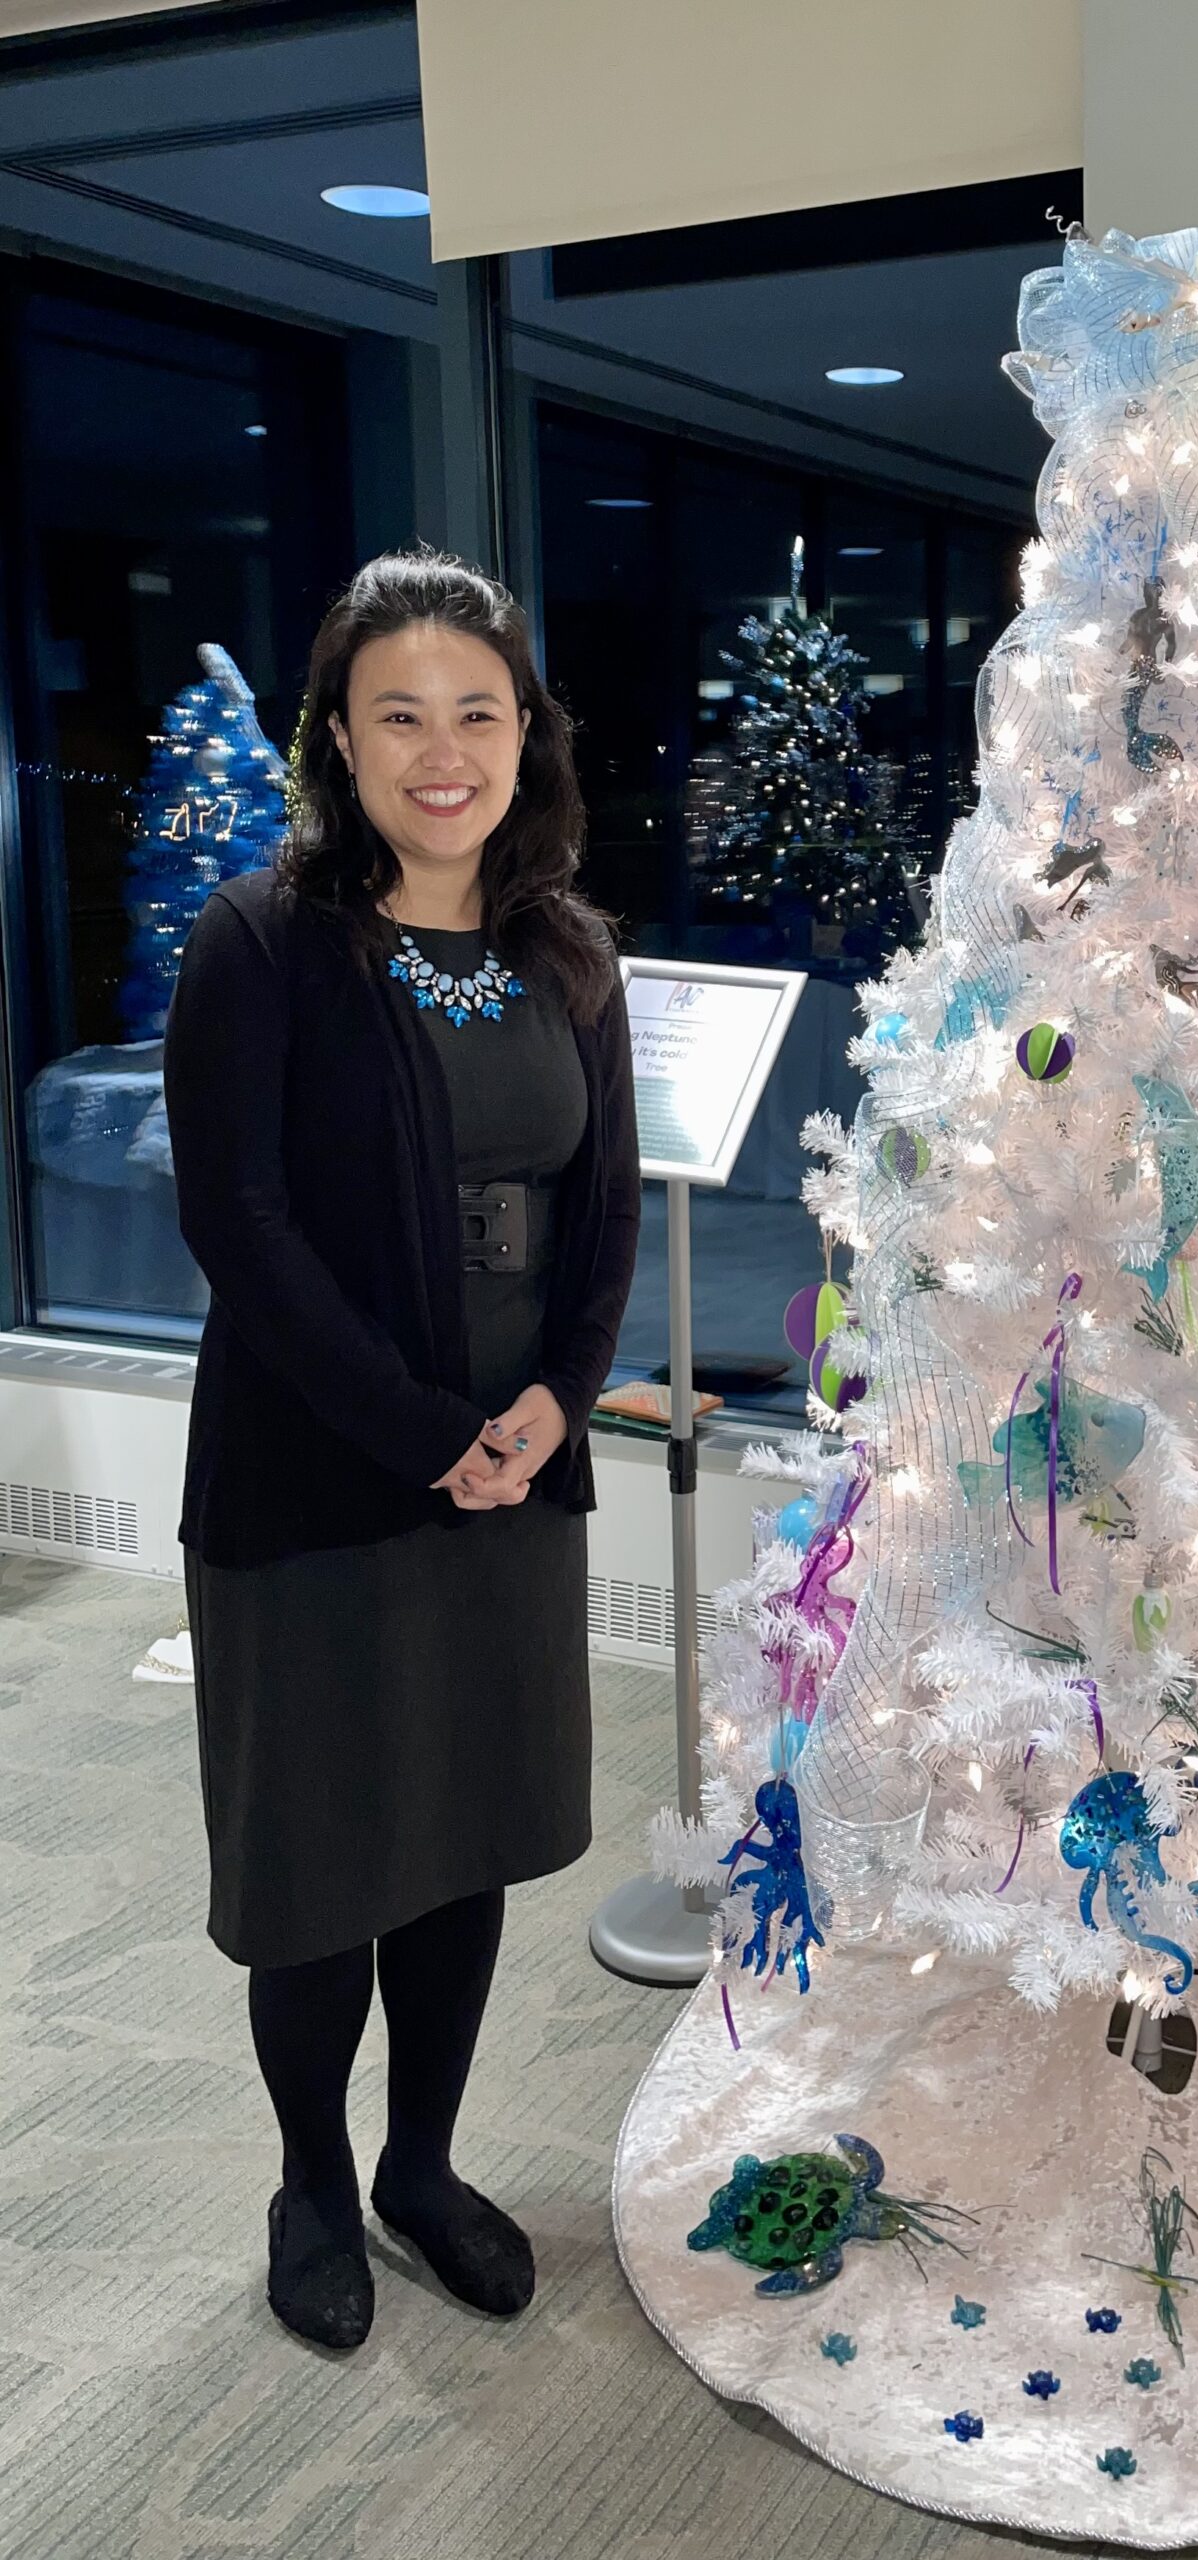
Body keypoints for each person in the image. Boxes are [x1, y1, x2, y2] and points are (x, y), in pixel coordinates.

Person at [163, 550, 641, 2351]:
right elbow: (244, 1223)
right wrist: (426, 1435)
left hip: (512, 1475)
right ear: (340, 740)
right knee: (324, 1853)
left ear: (525, 733)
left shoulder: (566, 947)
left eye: (478, 711)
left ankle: (418, 2168)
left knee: (458, 1834)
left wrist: (548, 1411)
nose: (444, 751)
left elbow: (600, 1221)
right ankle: (309, 2175)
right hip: (318, 1472)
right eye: (401, 715)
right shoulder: (266, 940)